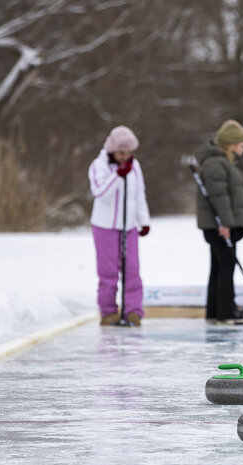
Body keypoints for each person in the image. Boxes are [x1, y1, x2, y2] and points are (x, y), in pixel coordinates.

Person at [88, 125, 151, 326]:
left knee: (132, 269)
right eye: (121, 153)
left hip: (129, 225)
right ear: (112, 149)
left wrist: (144, 221)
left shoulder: (135, 166)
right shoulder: (99, 165)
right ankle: (108, 312)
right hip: (105, 226)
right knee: (108, 272)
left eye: (129, 153)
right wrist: (118, 176)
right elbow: (100, 192)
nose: (125, 157)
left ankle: (133, 311)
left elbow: (139, 194)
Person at [195, 120, 243, 325]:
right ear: (230, 144)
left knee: (219, 265)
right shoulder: (216, 164)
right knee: (226, 266)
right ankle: (226, 312)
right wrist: (226, 224)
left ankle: (214, 311)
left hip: (223, 225)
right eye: (241, 145)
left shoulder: (225, 162)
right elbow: (219, 197)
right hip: (220, 226)